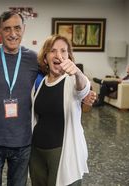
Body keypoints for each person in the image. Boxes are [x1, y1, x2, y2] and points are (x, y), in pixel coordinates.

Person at [0, 11, 38, 186]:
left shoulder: (34, 59)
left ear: (24, 29)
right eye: (7, 29)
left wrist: (85, 91)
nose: (13, 34)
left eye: (17, 28)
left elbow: (56, 79)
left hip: (23, 140)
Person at [29, 34, 90, 186]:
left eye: (63, 51)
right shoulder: (41, 82)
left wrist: (77, 72)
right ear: (45, 57)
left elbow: (83, 88)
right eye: (53, 50)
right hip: (36, 153)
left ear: (68, 56)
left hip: (62, 154)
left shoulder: (72, 80)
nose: (58, 55)